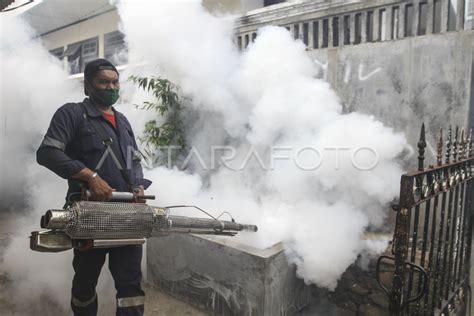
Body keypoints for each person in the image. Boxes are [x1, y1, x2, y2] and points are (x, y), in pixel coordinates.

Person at [36, 58, 151, 316]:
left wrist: (139, 185)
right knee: (86, 281)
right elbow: (47, 152)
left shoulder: (122, 121)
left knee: (131, 285)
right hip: (90, 214)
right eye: (103, 82)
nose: (111, 87)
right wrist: (90, 176)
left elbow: (134, 160)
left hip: (127, 215)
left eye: (114, 82)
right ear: (88, 86)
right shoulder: (72, 114)